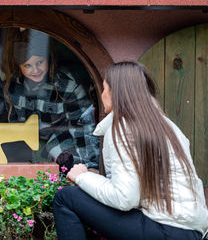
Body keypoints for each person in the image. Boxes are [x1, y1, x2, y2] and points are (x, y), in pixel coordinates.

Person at [53, 61, 208, 240]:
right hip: (192, 232)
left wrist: (82, 177)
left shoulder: (122, 126)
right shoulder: (167, 126)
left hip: (162, 228)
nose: (101, 95)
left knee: (66, 198)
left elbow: (125, 198)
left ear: (116, 93)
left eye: (104, 89)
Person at [0, 28, 99, 170]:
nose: (35, 70)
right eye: (27, 65)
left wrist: (88, 165)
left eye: (40, 62)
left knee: (66, 163)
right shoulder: (7, 77)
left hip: (57, 141)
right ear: (18, 65)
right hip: (19, 143)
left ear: (49, 57)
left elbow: (82, 127)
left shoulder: (68, 86)